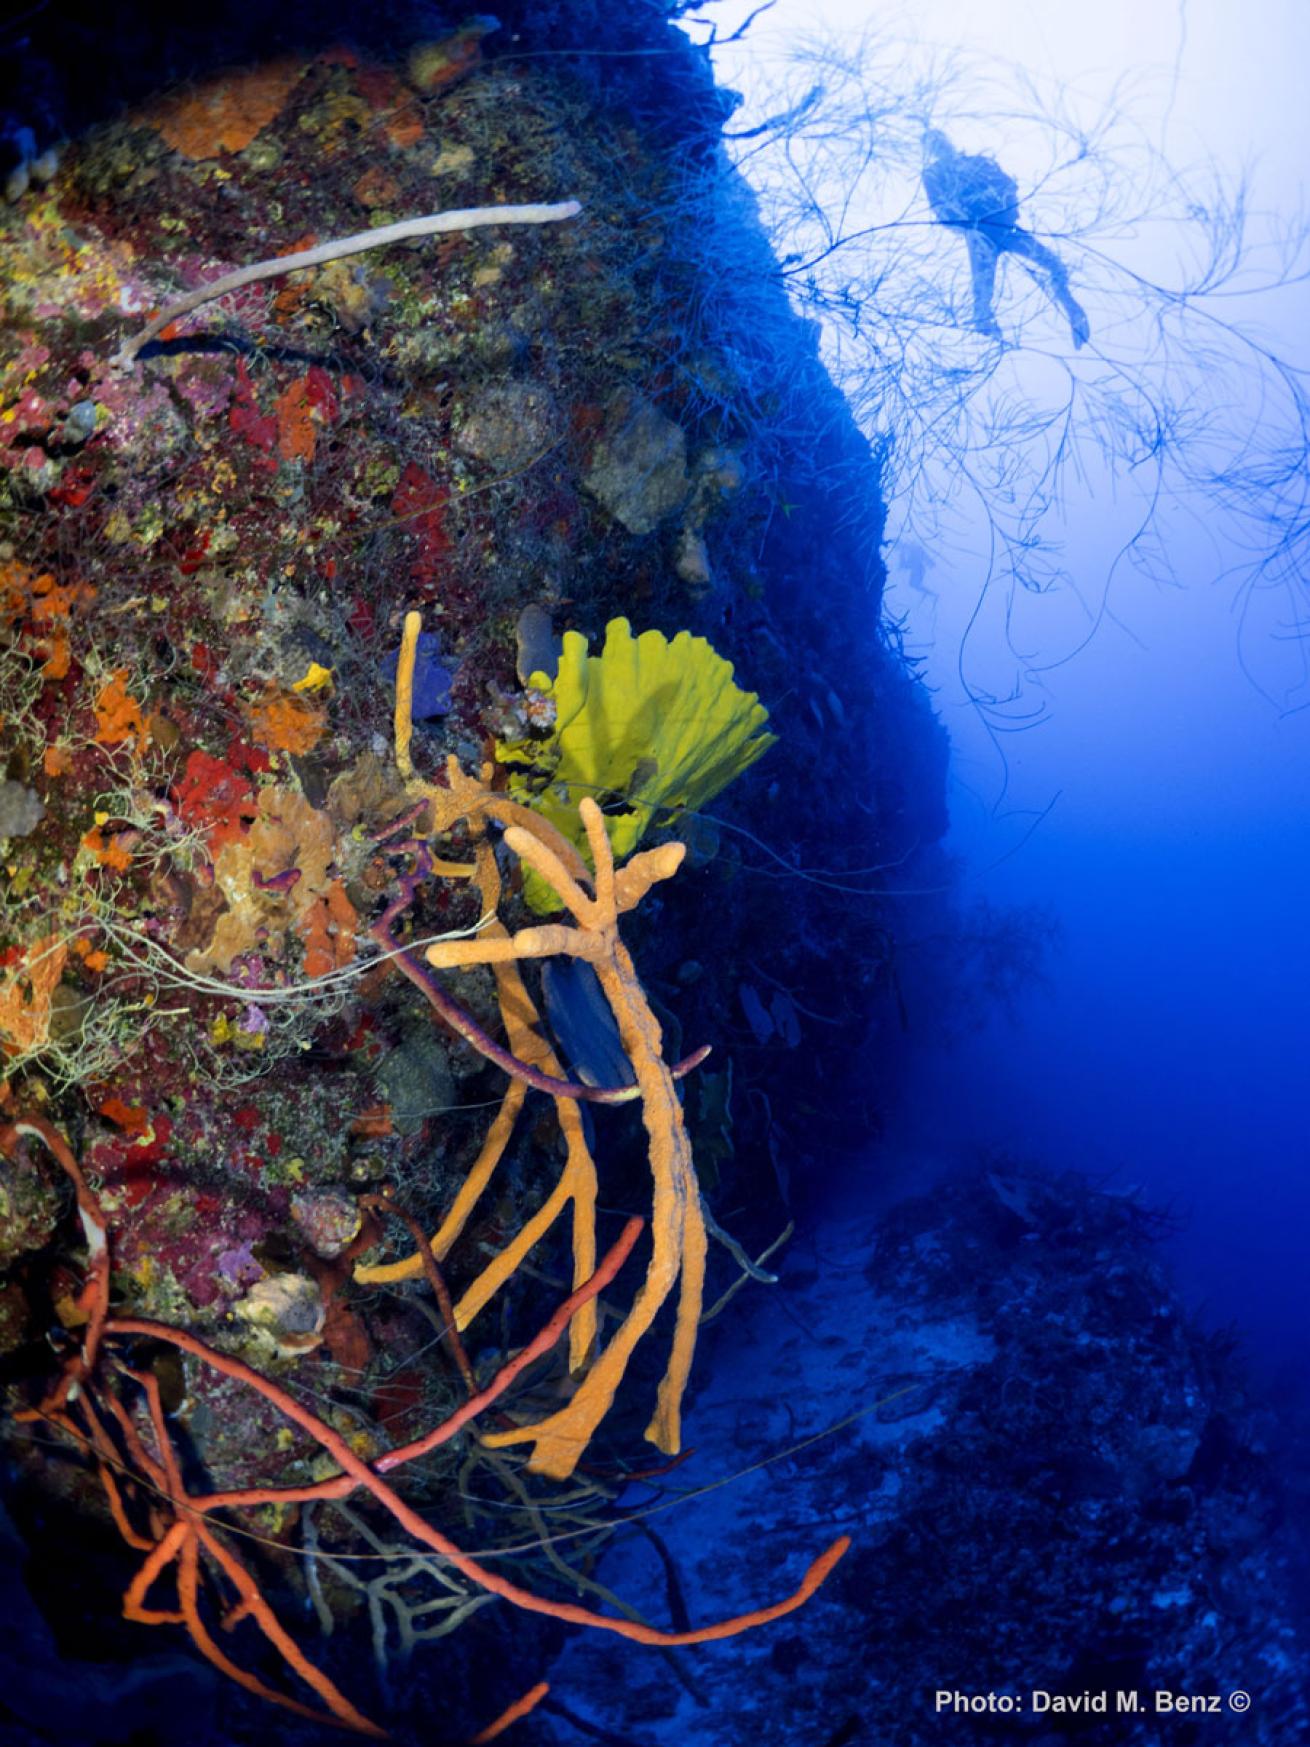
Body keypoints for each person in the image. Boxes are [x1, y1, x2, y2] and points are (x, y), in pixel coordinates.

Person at [922, 128, 1090, 348]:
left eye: (941, 140)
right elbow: (941, 208)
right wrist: (967, 224)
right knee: (982, 298)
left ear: (948, 140)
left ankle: (1072, 310)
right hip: (980, 235)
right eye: (933, 144)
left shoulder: (978, 162)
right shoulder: (934, 175)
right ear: (929, 150)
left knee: (1054, 264)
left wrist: (1006, 210)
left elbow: (1007, 185)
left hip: (1005, 228)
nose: (940, 146)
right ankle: (994, 346)